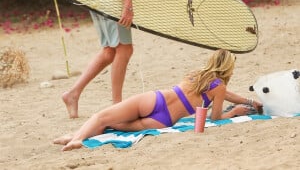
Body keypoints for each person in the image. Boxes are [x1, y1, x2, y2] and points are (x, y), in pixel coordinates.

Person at [54, 49, 263, 151]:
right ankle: (75, 137)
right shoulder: (219, 88)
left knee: (102, 117)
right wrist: (234, 112)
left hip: (155, 100)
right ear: (228, 68)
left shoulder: (197, 74)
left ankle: (76, 138)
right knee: (112, 123)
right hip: (164, 119)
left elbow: (224, 93)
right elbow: (216, 117)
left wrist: (249, 100)